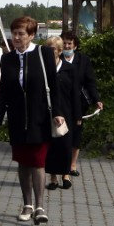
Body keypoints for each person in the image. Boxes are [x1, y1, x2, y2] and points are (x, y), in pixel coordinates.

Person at [0, 16, 64, 226]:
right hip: (17, 117)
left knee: (38, 161)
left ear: (31, 35)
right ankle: (27, 205)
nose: (17, 37)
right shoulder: (8, 59)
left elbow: (54, 87)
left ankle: (40, 207)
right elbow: (4, 92)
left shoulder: (44, 54)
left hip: (39, 116)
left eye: (21, 33)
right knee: (23, 162)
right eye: (14, 33)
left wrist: (58, 112)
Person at [61, 30, 104, 176]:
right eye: (64, 43)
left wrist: (97, 99)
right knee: (61, 133)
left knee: (76, 134)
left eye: (69, 43)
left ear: (75, 45)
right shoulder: (57, 58)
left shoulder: (83, 60)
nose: (66, 46)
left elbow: (90, 81)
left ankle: (72, 165)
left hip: (79, 103)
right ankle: (59, 164)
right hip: (61, 101)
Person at [43, 36, 80, 190]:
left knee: (65, 145)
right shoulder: (43, 68)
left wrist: (78, 115)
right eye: (47, 48)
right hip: (47, 111)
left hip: (66, 112)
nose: (50, 51)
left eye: (52, 49)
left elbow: (75, 93)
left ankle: (65, 175)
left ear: (59, 51)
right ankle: (52, 178)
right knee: (51, 146)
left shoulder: (69, 69)